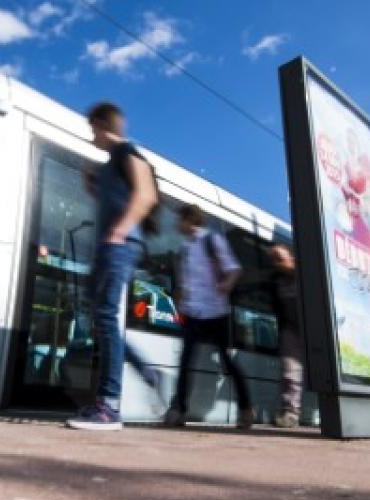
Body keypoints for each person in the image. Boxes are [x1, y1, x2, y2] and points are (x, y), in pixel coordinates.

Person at [65, 102, 159, 431]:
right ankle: (146, 370)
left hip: (121, 244)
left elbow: (145, 194)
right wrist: (92, 184)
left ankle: (109, 406)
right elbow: (114, 197)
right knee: (99, 316)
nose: (91, 136)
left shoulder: (126, 151)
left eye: (93, 128)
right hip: (109, 245)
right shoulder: (108, 166)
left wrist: (120, 230)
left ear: (104, 125)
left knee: (105, 315)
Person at [163, 203, 254, 429]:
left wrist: (225, 285)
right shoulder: (185, 249)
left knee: (227, 363)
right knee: (185, 361)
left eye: (179, 219)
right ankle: (178, 409)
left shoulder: (212, 240)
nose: (176, 224)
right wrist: (180, 299)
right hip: (193, 312)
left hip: (216, 312)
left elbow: (234, 269)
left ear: (189, 220)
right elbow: (185, 283)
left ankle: (245, 409)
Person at [267, 244, 306, 428]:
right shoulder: (275, 280)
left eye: (280, 257)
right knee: (290, 372)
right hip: (290, 328)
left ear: (291, 257)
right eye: (273, 259)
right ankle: (291, 412)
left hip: (312, 327)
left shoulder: (306, 271)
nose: (277, 262)